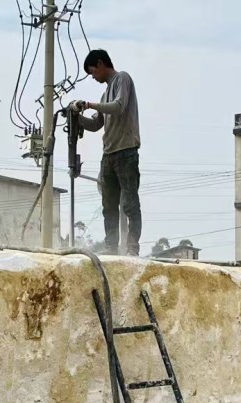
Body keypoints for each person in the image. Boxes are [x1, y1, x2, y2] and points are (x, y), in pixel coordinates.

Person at [72, 49, 141, 255]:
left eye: (93, 72)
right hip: (109, 155)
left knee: (129, 203)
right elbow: (95, 124)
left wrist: (89, 104)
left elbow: (118, 107)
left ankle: (132, 248)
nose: (93, 77)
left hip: (126, 151)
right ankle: (111, 247)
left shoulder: (122, 79)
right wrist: (76, 116)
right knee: (109, 206)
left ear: (101, 64)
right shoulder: (105, 93)